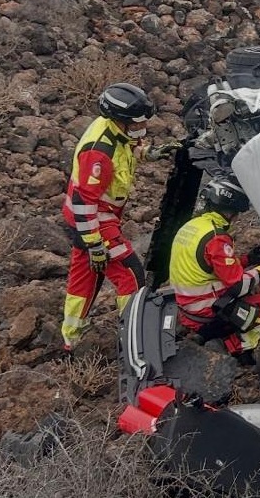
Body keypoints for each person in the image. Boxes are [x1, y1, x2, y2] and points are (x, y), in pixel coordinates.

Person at [61, 83, 180, 351]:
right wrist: (95, 245)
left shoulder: (117, 132)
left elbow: (126, 152)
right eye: (136, 123)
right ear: (119, 120)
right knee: (131, 276)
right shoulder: (99, 153)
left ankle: (70, 339)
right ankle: (133, 339)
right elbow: (84, 201)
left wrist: (150, 153)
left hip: (88, 220)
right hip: (93, 222)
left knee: (85, 279)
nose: (142, 129)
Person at [169, 174, 260, 360]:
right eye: (237, 213)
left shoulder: (194, 227)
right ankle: (232, 344)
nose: (237, 218)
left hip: (189, 308)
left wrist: (247, 260)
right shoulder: (217, 237)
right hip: (211, 311)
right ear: (231, 210)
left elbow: (211, 266)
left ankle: (214, 334)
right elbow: (237, 285)